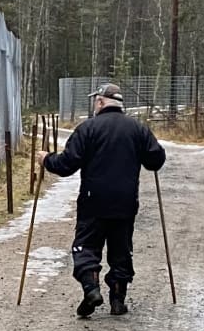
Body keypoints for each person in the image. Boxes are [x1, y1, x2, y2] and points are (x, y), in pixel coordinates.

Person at [37, 83, 166, 318]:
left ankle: (91, 287)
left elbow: (66, 165)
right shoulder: (138, 129)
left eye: (95, 100)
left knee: (86, 246)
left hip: (93, 201)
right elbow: (155, 161)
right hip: (126, 202)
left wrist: (47, 159)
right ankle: (117, 300)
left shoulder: (88, 128)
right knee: (121, 251)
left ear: (100, 102)